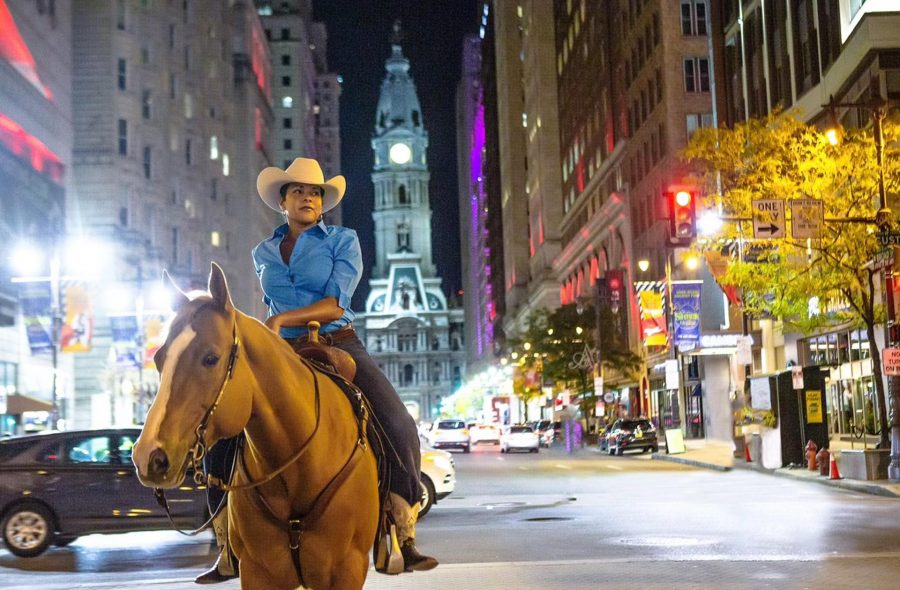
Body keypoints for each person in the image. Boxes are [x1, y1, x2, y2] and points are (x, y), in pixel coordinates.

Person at [197, 158, 436, 583]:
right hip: (278, 352)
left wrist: (278, 323)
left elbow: (335, 303)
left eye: (315, 193)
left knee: (399, 422)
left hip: (337, 341)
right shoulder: (263, 252)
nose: (307, 197)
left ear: (322, 203)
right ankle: (225, 541)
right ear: (283, 201)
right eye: (298, 191)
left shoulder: (343, 240)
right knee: (223, 422)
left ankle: (402, 529)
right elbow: (271, 301)